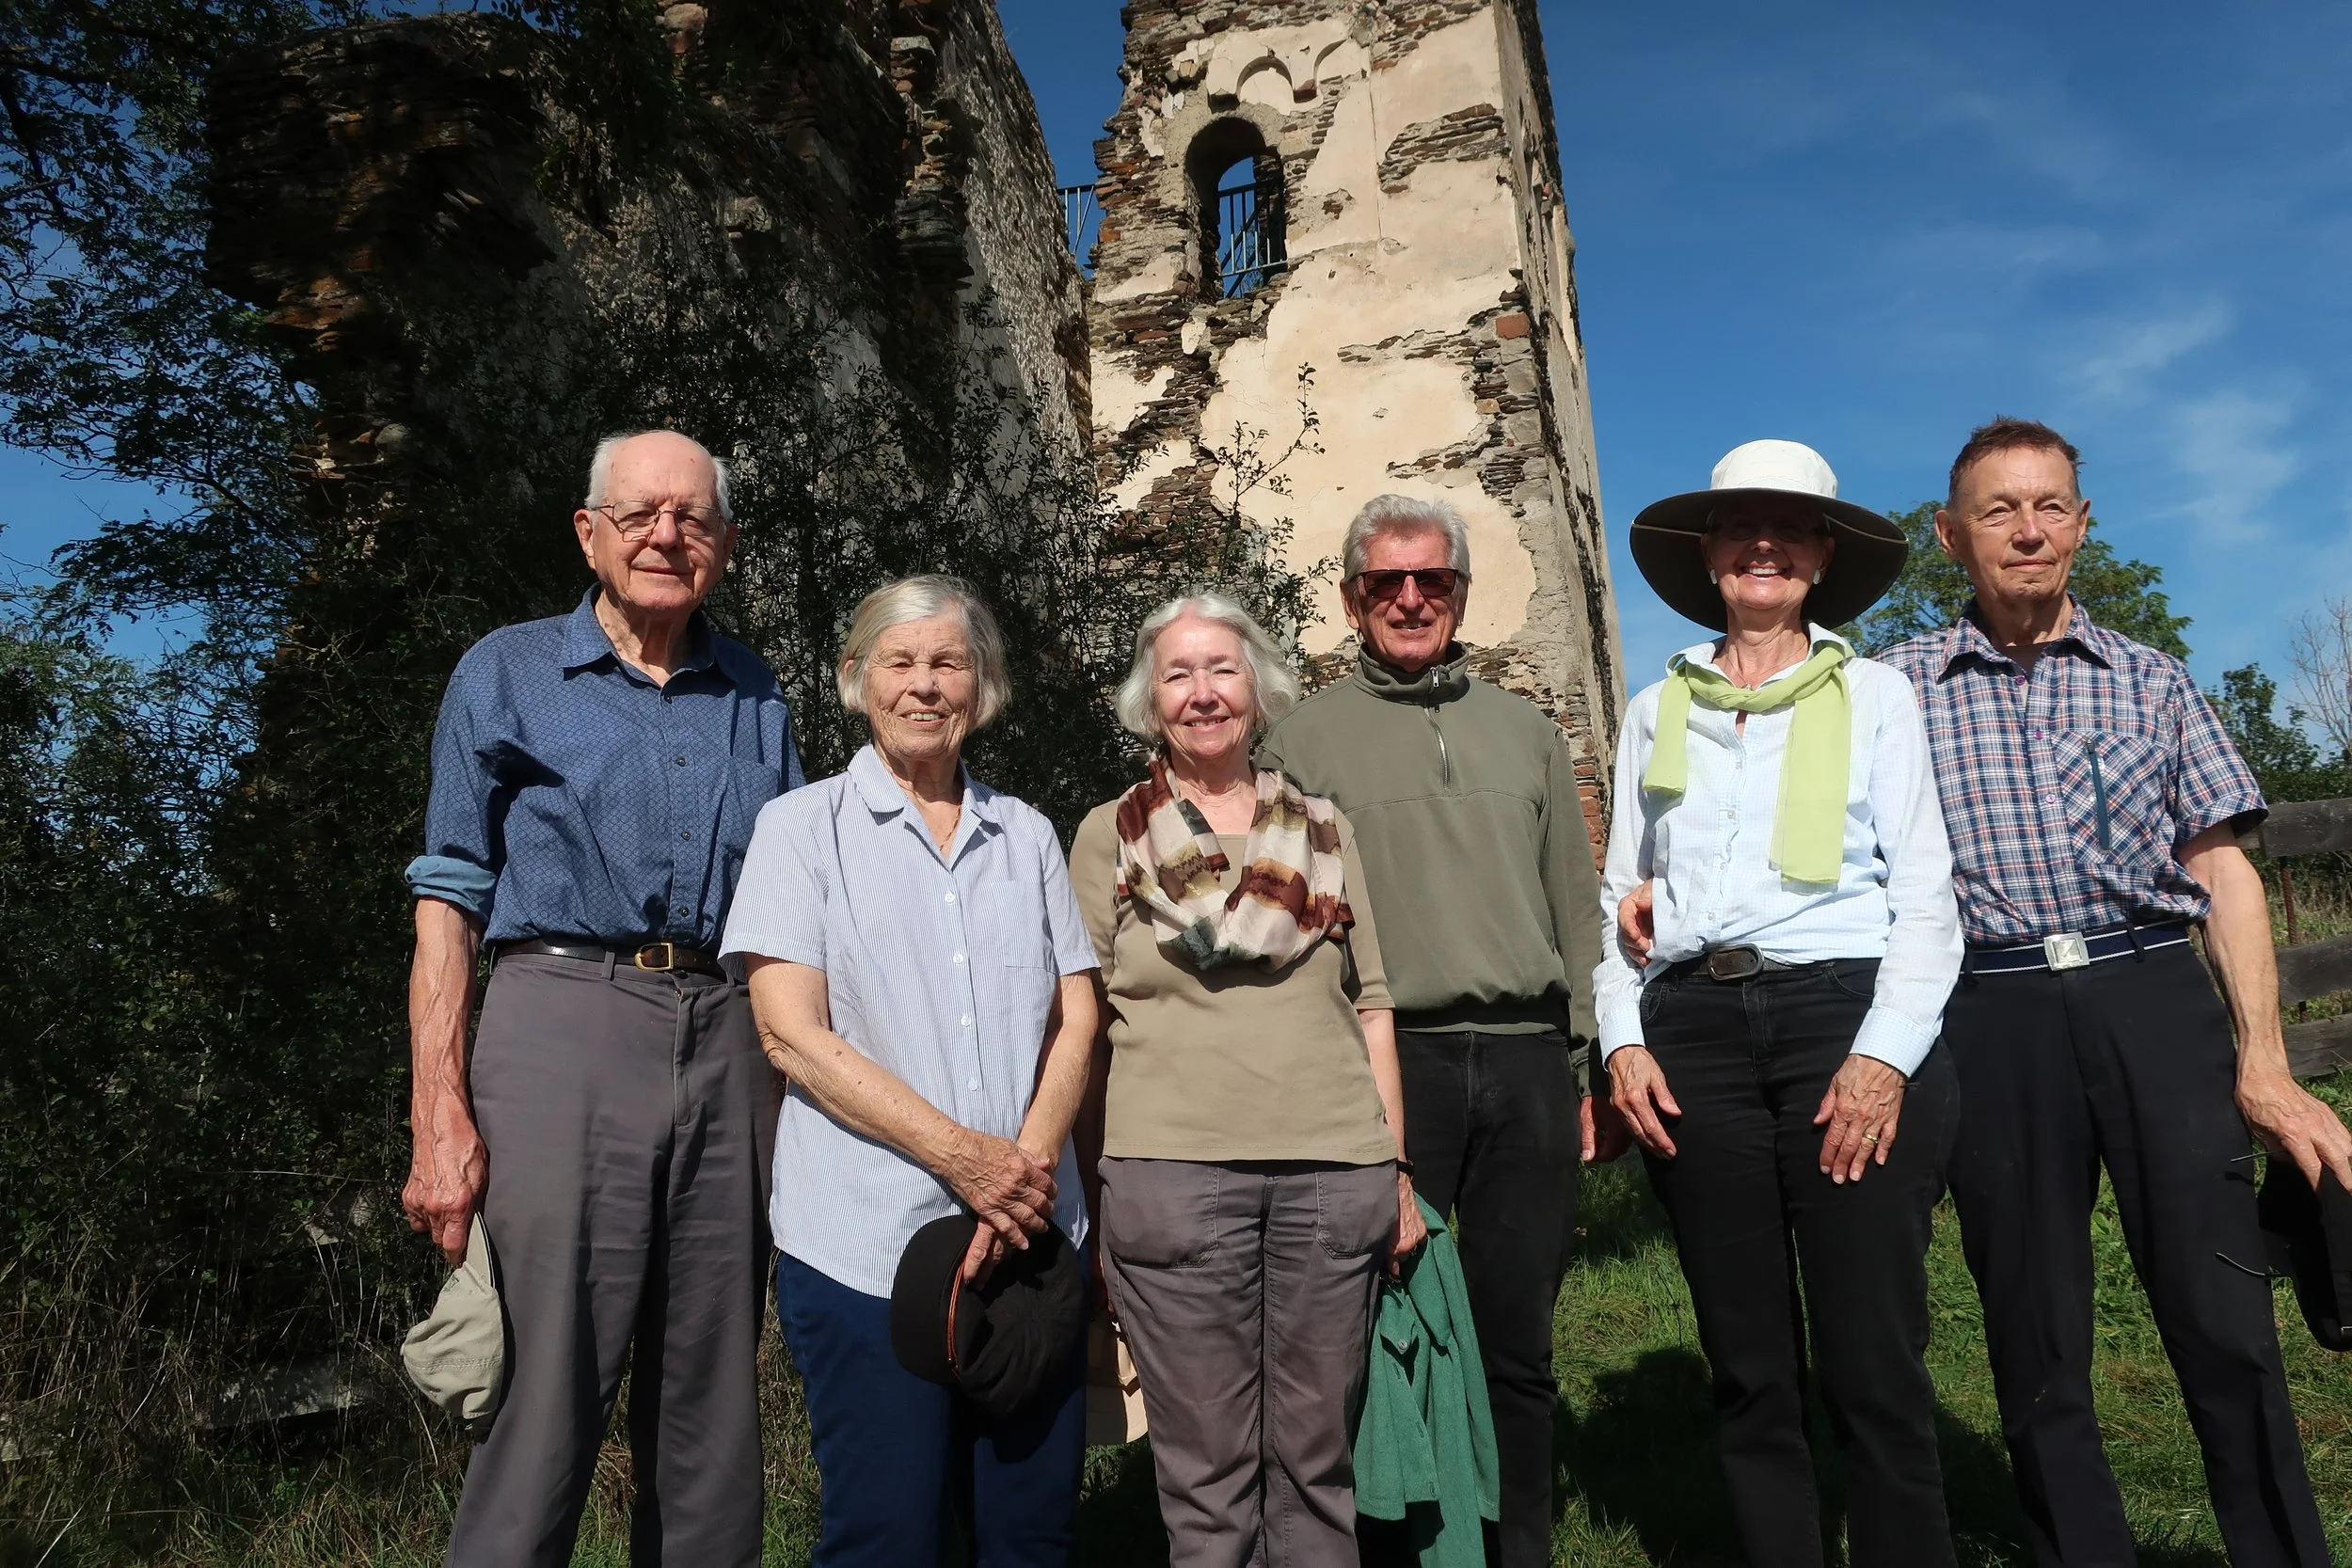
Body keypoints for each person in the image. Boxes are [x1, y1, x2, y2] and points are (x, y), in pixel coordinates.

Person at [1876, 418, 2352, 1568]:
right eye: (1998, 510)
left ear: (2082, 527)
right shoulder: (1892, 692)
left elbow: (2226, 873)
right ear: (1950, 536)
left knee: (2223, 1310)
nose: (2028, 529)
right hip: (1989, 1016)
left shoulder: (2154, 680)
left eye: (2050, 506)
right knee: (2033, 1329)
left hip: (2151, 993)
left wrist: (2264, 1060)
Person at [403, 429, 803, 1568]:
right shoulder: (507, 670)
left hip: (732, 1035)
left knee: (712, 1391)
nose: (665, 536)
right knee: (546, 1381)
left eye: (691, 518)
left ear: (722, 544)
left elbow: (791, 901)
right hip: (561, 1015)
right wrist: (439, 1113)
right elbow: (447, 897)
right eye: (638, 515)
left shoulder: (756, 690)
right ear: (590, 533)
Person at [1598, 440, 1963, 1568]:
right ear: (1709, 554)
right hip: (1694, 1033)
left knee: (1871, 1352)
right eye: (1741, 525)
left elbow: (1925, 893)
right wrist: (1620, 1041)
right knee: (1747, 1358)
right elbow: (1619, 892)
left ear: (1820, 556)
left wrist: (1883, 1056)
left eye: (1791, 527)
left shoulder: (1876, 695)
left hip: (1839, 1016)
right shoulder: (1656, 708)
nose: (1765, 543)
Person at [1254, 493, 1614, 1568]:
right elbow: (1291, 936)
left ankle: (1518, 1548)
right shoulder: (1299, 740)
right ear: (1352, 597)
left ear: (1461, 592)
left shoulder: (1527, 730)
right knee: (1374, 1335)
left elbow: (1575, 906)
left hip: (1524, 1061)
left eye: (1432, 581)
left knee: (1518, 1342)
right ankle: (1399, 1545)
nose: (1409, 598)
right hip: (1385, 1063)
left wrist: (1586, 1059)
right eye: (1385, 582)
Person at [722, 576, 1102, 1568]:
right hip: (866, 1248)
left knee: (1031, 1533)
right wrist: (962, 1159)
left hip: (1030, 1243)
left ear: (982, 688)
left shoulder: (1024, 835)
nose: (924, 684)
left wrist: (1021, 1171)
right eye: (900, 661)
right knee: (887, 1536)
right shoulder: (800, 830)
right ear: (855, 680)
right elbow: (790, 1032)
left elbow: (1077, 1015)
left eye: (949, 663)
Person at [1072, 592, 1424, 1568]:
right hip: (1170, 1181)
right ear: (1150, 703)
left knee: (1316, 1466)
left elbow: (1375, 1004)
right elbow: (1081, 1026)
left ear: (1257, 689)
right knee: (1208, 1475)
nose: (1201, 693)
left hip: (1332, 1173)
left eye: (1220, 669)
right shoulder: (1109, 835)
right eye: (1176, 675)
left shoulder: (1321, 830)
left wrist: (1393, 1168)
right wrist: (1090, 1188)